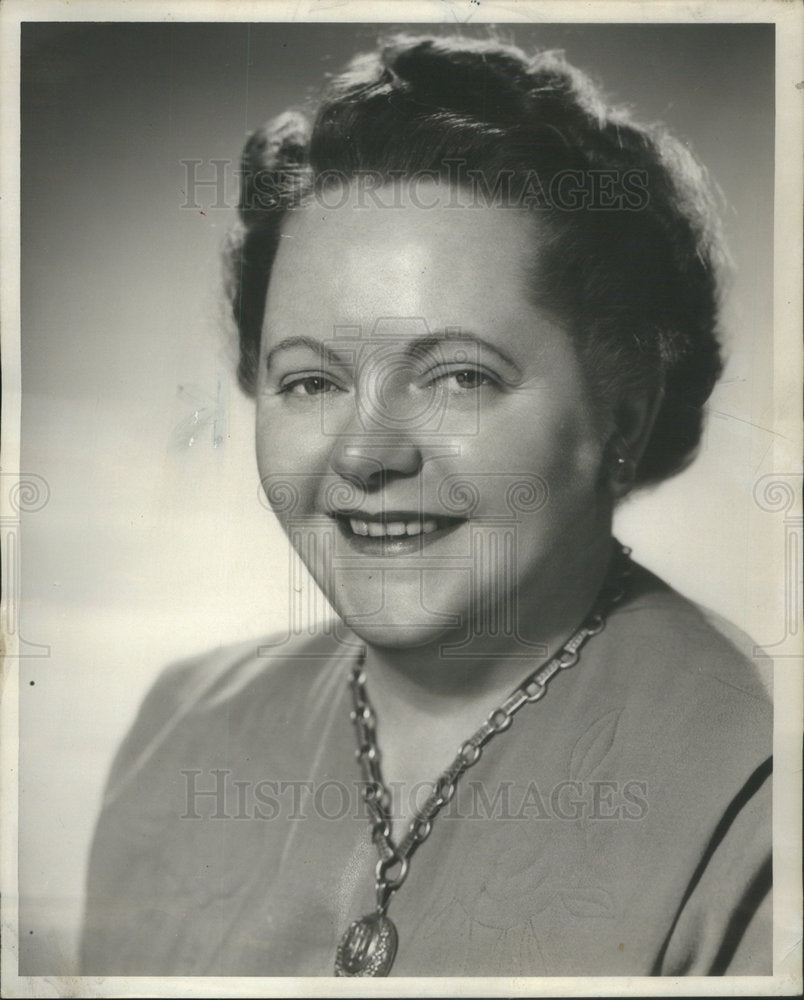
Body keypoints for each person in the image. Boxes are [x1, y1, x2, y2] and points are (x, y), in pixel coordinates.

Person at [80, 34, 771, 977]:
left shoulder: (762, 790)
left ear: (624, 411)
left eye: (457, 377)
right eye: (311, 383)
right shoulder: (181, 730)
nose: (365, 453)